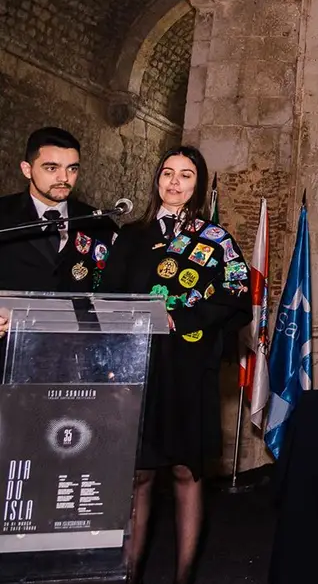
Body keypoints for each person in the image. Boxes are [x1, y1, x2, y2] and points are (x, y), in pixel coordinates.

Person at [100, 146, 252, 584]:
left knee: (187, 472)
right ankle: (129, 574)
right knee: (140, 476)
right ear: (157, 179)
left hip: (190, 371)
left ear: (197, 185)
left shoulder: (216, 239)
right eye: (167, 173)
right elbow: (108, 295)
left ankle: (183, 577)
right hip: (137, 369)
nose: (174, 182)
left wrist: (183, 317)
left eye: (186, 175)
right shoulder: (130, 235)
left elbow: (238, 297)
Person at [0, 127, 117, 294]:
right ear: (27, 169)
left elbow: (116, 287)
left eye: (72, 169)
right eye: (52, 168)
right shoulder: (3, 215)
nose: (64, 178)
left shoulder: (99, 223)